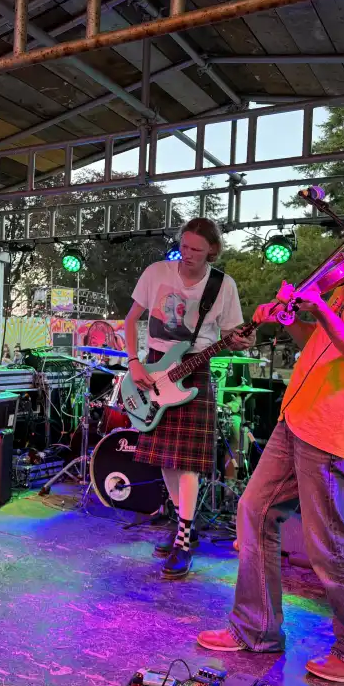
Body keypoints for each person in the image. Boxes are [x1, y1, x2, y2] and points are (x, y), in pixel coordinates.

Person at [197, 167, 344, 683]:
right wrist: (290, 318)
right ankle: (256, 629)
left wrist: (321, 307)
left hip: (336, 424)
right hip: (300, 413)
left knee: (329, 543)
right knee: (255, 510)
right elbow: (320, 341)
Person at [123, 218, 254, 579]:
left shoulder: (222, 285)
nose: (188, 254)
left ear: (212, 249)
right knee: (166, 459)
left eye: (197, 249)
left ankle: (182, 540)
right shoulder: (156, 272)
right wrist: (134, 363)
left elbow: (231, 333)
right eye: (185, 246)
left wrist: (242, 339)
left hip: (194, 373)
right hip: (151, 370)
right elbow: (131, 319)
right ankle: (186, 526)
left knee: (189, 463)